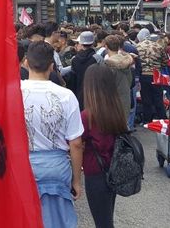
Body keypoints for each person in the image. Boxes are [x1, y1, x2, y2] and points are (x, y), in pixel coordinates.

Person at [21, 41, 84, 227]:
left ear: (26, 63)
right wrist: (77, 180)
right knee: (58, 219)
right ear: (51, 66)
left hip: (23, 165)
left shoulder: (11, 92)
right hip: (56, 166)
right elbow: (76, 143)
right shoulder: (66, 96)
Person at [80, 64, 126, 228]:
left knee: (102, 221)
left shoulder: (87, 116)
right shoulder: (117, 109)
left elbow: (76, 142)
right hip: (113, 169)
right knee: (106, 218)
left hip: (95, 171)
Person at [101, 35, 135, 126]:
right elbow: (131, 82)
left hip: (111, 103)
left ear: (106, 46)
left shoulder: (107, 65)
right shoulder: (127, 62)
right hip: (125, 101)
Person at [137, 31, 168, 123]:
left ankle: (147, 120)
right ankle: (162, 118)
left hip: (143, 75)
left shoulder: (137, 46)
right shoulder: (158, 46)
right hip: (156, 74)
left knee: (146, 98)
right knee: (158, 97)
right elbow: (165, 61)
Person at [68, 31, 98, 108]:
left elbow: (73, 79)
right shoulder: (97, 58)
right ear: (93, 42)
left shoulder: (74, 59)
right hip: (94, 94)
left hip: (79, 93)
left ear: (81, 43)